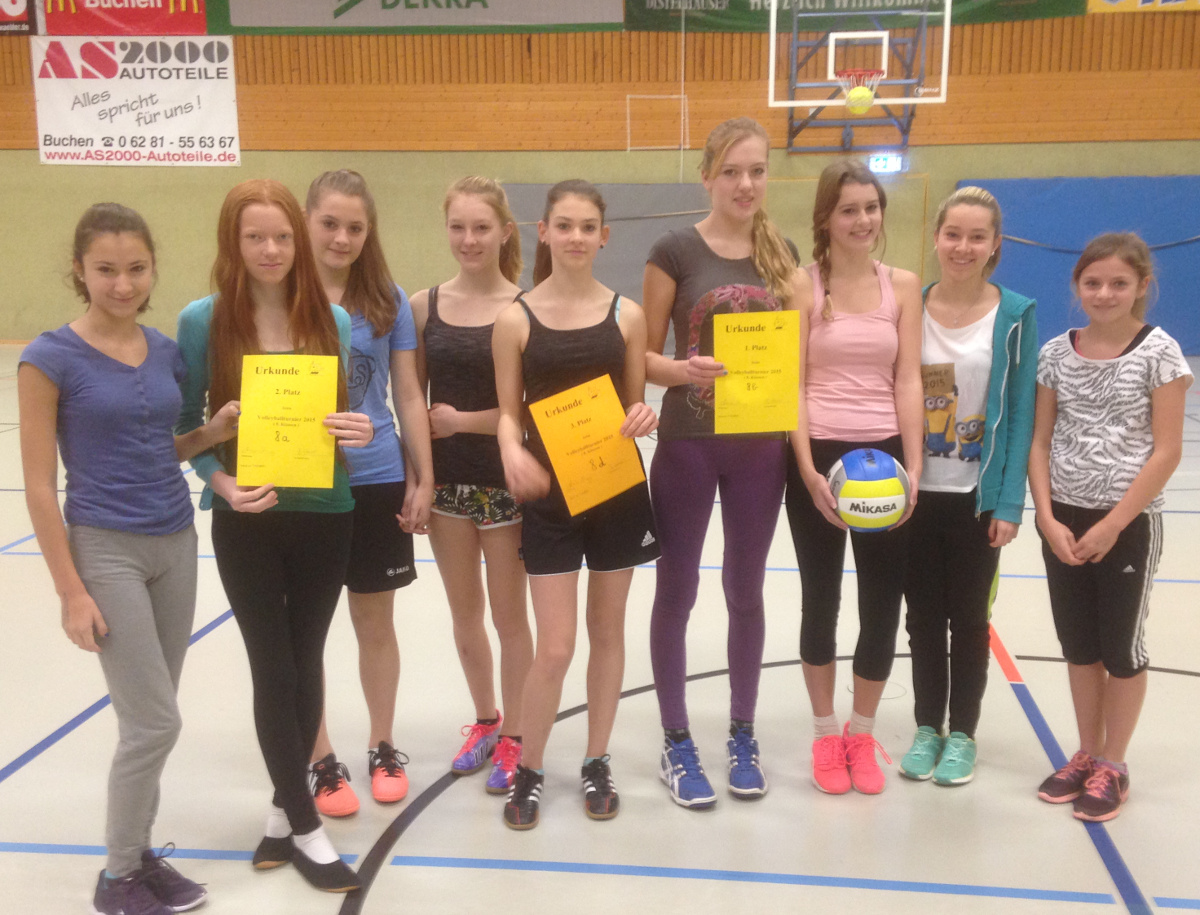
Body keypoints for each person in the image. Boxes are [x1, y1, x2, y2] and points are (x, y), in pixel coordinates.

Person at [20, 203, 238, 915]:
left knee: (153, 713)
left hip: (175, 542)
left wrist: (211, 433)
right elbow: (39, 486)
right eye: (106, 269)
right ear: (79, 271)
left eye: (136, 268)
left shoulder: (165, 349)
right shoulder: (49, 357)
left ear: (152, 270)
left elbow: (158, 448)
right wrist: (70, 590)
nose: (123, 283)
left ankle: (139, 854)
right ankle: (118, 876)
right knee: (155, 722)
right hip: (105, 550)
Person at [177, 179, 373, 893]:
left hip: (326, 511)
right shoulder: (201, 321)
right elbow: (184, 434)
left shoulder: (334, 319)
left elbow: (339, 419)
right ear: (232, 243)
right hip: (247, 518)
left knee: (306, 658)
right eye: (254, 236)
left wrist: (358, 428)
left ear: (299, 241)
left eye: (282, 236)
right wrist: (221, 479)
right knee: (273, 666)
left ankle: (280, 814)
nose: (270, 250)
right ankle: (308, 828)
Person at [643, 117, 809, 809]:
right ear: (708, 176)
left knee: (746, 589)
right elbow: (641, 356)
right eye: (733, 171)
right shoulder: (673, 250)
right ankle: (676, 739)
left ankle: (743, 731)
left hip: (760, 450)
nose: (746, 184)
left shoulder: (783, 252)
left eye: (757, 171)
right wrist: (684, 371)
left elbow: (795, 359)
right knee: (677, 589)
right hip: (688, 442)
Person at [493, 179, 660, 830]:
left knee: (607, 633)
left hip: (615, 489)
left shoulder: (627, 315)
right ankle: (531, 767)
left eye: (588, 226)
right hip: (549, 498)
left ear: (604, 236)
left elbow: (634, 404)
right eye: (564, 225)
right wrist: (510, 450)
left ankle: (596, 759)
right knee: (556, 646)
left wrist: (643, 415)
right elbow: (508, 413)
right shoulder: (516, 319)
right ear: (543, 231)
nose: (576, 237)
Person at [1029, 232, 1189, 822]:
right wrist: (1046, 516)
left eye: (1118, 283)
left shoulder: (1160, 352)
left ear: (1141, 286)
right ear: (1077, 286)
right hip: (1063, 521)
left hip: (1127, 525)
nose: (1104, 293)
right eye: (1093, 283)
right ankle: (1086, 752)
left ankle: (1114, 764)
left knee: (1120, 648)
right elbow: (1040, 441)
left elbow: (1167, 450)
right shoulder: (1055, 353)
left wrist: (1114, 524)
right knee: (1079, 646)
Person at [785, 158, 923, 796]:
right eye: (849, 209)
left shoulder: (903, 286)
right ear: (826, 218)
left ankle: (861, 734)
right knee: (820, 598)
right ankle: (824, 735)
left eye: (871, 207)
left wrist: (913, 468)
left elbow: (908, 379)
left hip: (886, 461)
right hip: (818, 458)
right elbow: (792, 384)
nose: (863, 220)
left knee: (882, 602)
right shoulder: (800, 286)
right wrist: (807, 469)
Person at [301, 169, 434, 817]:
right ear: (306, 221)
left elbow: (407, 393)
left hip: (377, 476)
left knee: (375, 622)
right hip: (303, 484)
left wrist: (422, 475)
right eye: (330, 223)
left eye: (355, 227)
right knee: (305, 630)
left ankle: (382, 745)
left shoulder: (387, 298)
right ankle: (320, 757)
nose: (342, 237)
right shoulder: (281, 294)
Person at [899, 187, 1037, 786]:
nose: (963, 247)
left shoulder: (1016, 314)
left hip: (976, 500)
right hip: (916, 495)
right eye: (953, 234)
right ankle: (927, 726)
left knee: (969, 621)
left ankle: (963, 734)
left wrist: (1009, 501)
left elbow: (1023, 411)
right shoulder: (910, 305)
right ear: (936, 238)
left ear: (995, 245)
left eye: (977, 237)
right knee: (922, 619)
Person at [410, 176, 533, 794]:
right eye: (458, 227)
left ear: (505, 232)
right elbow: (411, 400)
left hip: (505, 484)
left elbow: (528, 409)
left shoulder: (527, 307)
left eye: (481, 227)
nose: (469, 239)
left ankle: (518, 736)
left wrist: (463, 422)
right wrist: (418, 478)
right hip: (448, 488)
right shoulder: (423, 306)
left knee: (510, 617)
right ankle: (486, 721)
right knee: (466, 614)